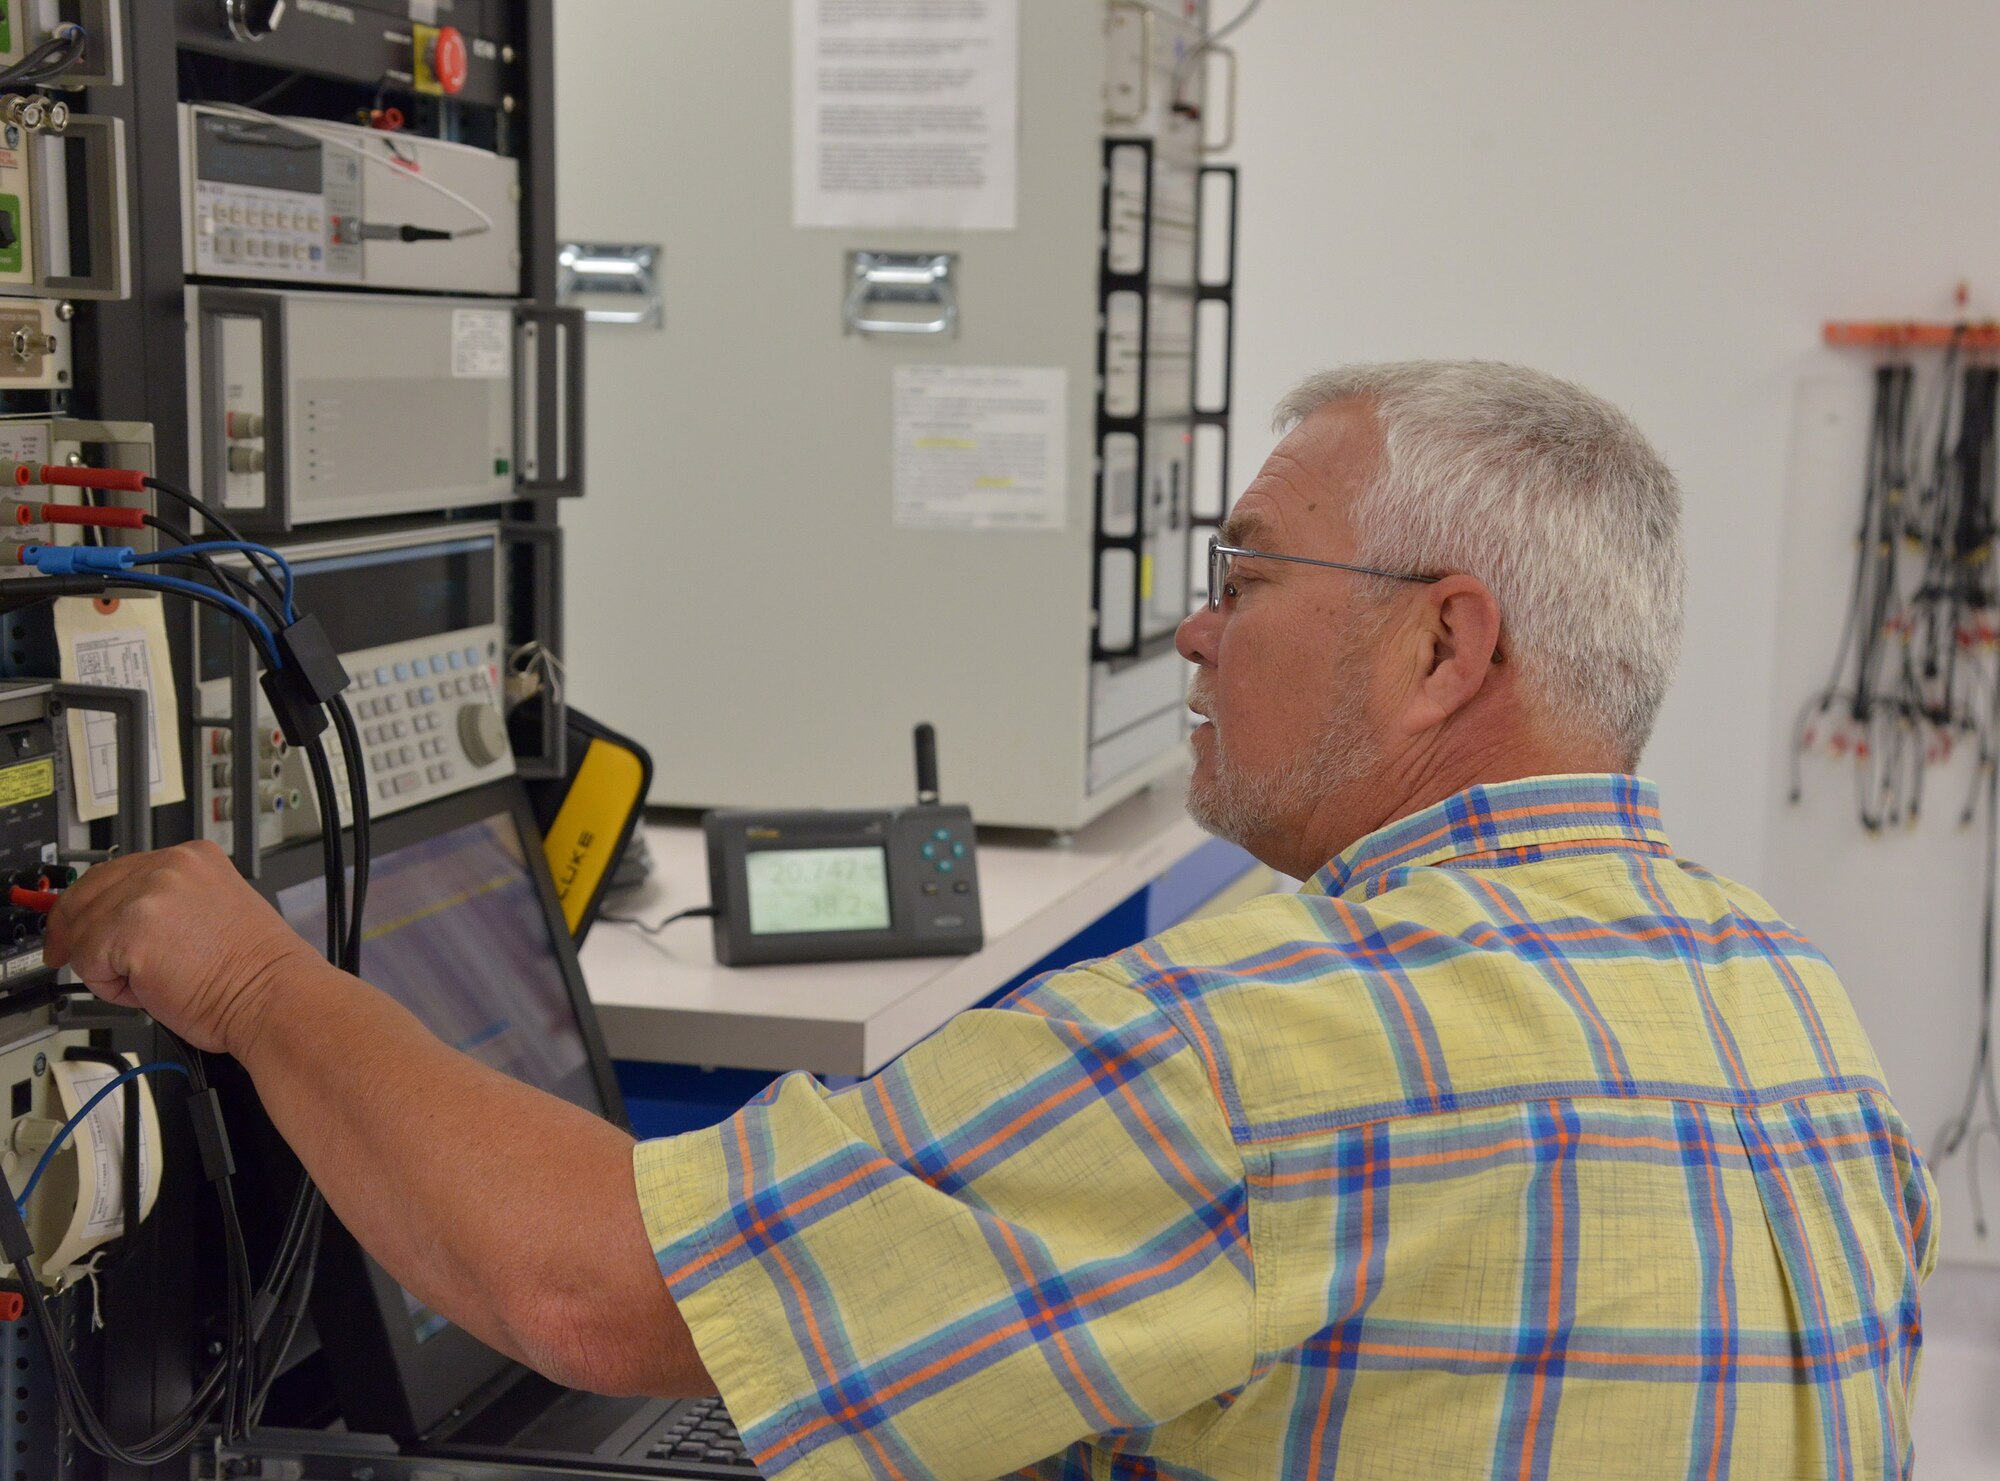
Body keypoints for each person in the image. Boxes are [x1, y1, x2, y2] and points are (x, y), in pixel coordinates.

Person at [47, 361, 1934, 1479]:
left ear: (1447, 641)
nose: (1194, 626)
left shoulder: (1280, 1036)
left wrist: (242, 971)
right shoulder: (1789, 1001)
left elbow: (584, 1285)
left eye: (1246, 572)